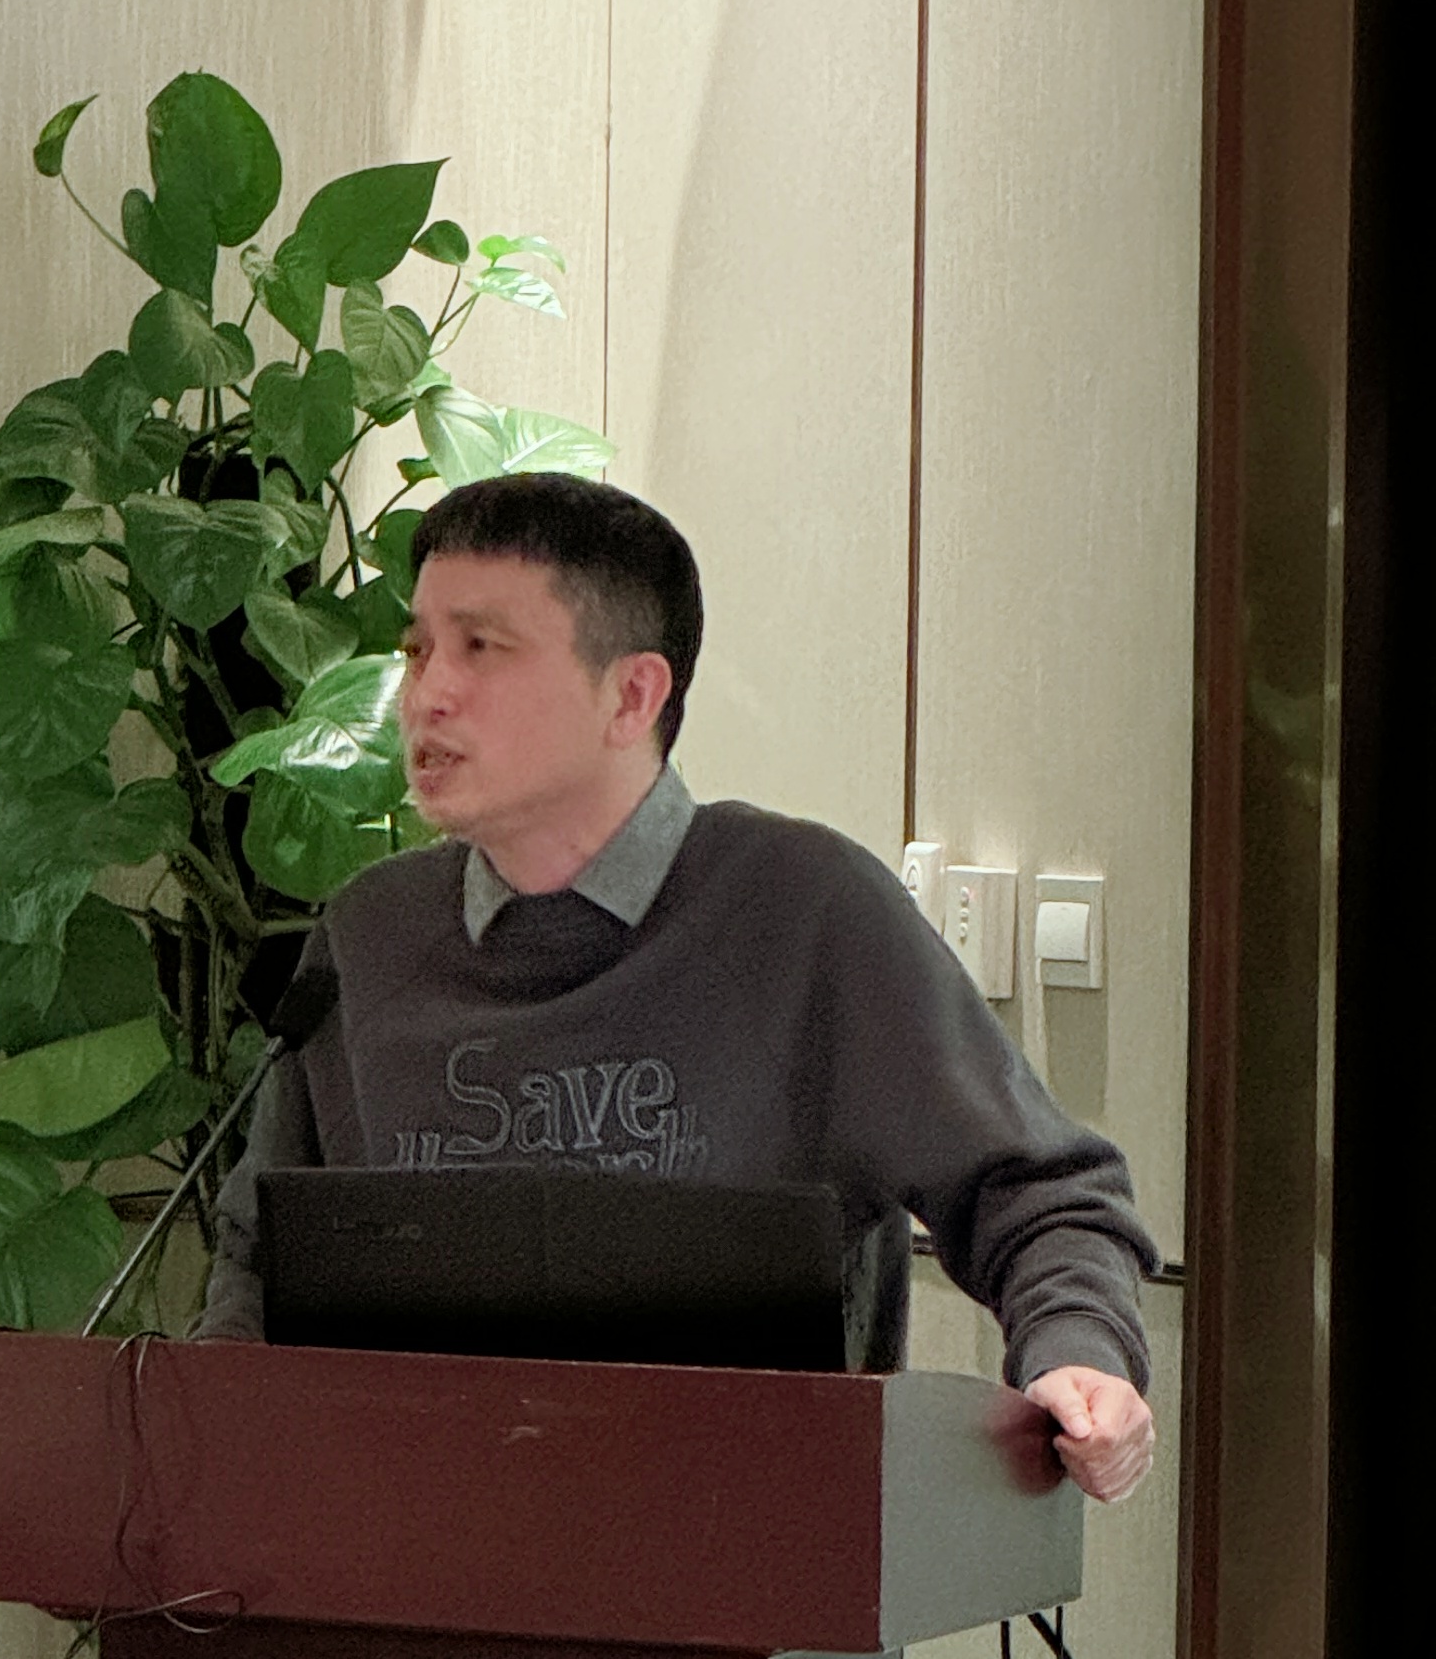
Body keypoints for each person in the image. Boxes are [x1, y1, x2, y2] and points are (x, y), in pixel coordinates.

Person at [198, 473, 1159, 1504]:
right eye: (419, 649)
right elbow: (257, 1266)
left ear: (631, 696)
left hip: (749, 1536)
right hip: (415, 1536)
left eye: (481, 647)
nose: (427, 694)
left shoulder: (804, 912)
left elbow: (1039, 1193)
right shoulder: (368, 934)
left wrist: (1079, 1353)